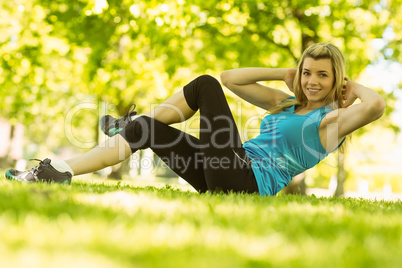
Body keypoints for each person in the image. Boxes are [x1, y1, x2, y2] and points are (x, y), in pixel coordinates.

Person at [5, 43, 385, 196]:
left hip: (247, 178)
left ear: (336, 78)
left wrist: (349, 89)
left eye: (323, 75)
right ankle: (59, 171)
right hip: (221, 170)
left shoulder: (331, 121)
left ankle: (130, 124)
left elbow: (375, 105)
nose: (312, 81)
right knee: (146, 129)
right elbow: (231, 78)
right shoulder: (285, 103)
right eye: (308, 73)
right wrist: (284, 70)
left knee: (202, 85)